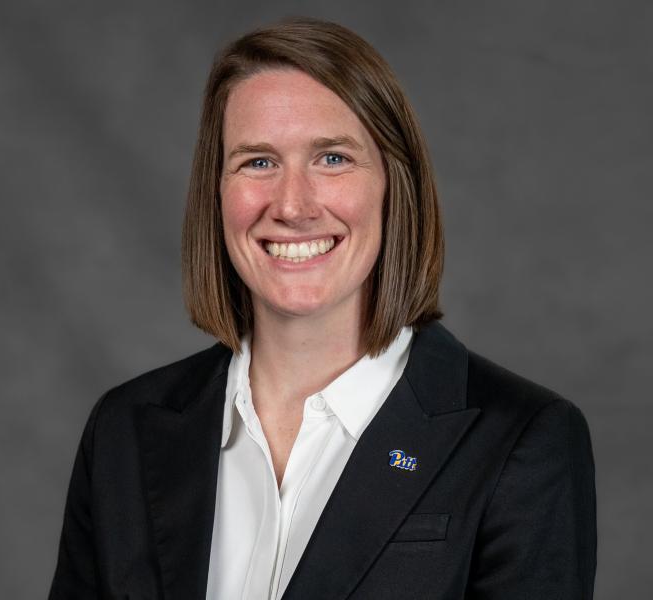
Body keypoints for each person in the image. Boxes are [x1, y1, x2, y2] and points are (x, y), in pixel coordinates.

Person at [49, 17, 597, 600]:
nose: (292, 205)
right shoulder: (125, 431)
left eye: (332, 158)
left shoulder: (523, 440)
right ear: (216, 190)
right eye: (257, 161)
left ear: (394, 184)